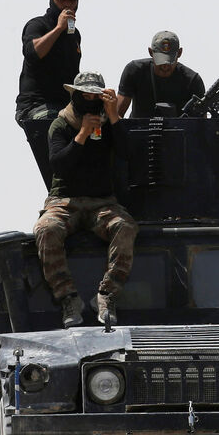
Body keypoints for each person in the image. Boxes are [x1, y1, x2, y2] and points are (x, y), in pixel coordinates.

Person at [33, 71, 139, 328]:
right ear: (76, 95)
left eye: (96, 95)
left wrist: (113, 116)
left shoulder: (108, 123)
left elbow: (128, 153)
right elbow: (59, 165)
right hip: (64, 201)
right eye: (86, 95)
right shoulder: (61, 124)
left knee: (125, 227)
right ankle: (68, 298)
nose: (91, 100)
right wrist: (82, 133)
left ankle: (106, 295)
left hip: (101, 202)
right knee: (46, 230)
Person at [16, 0, 83, 184]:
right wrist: (58, 29)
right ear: (52, 1)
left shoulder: (74, 35)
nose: (66, 5)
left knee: (97, 125)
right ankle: (60, 187)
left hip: (64, 105)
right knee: (55, 122)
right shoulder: (38, 25)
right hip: (37, 106)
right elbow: (33, 53)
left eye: (71, 0)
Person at [115, 30, 206, 118]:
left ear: (179, 53)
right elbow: (116, 116)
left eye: (170, 61)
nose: (165, 66)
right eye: (160, 60)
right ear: (151, 52)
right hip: (136, 131)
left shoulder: (192, 81)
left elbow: (203, 126)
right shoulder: (135, 71)